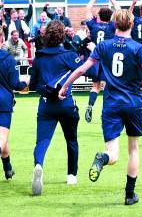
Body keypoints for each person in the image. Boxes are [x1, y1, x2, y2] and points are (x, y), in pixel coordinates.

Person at [58, 9, 142, 206]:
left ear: (114, 25)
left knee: (113, 154)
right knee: (133, 150)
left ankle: (102, 158)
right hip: (132, 104)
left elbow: (81, 69)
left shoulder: (103, 46)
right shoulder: (138, 48)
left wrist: (64, 86)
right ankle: (129, 195)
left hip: (111, 105)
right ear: (132, 25)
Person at [29, 20, 84, 196]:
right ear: (62, 35)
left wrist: (46, 90)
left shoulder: (39, 57)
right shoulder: (69, 55)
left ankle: (38, 165)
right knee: (71, 140)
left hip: (46, 105)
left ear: (46, 36)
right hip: (66, 103)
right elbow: (84, 70)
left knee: (42, 141)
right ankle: (72, 175)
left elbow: (33, 86)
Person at [0, 28, 28, 180]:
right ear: (2, 40)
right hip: (3, 103)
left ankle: (8, 169)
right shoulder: (8, 59)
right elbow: (14, 84)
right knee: (2, 138)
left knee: (3, 139)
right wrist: (25, 83)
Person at [84, 0, 116, 123]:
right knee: (110, 86)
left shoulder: (93, 25)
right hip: (108, 59)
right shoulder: (112, 27)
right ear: (110, 17)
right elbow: (119, 11)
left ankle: (90, 106)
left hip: (95, 58)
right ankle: (106, 112)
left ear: (99, 16)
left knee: (95, 86)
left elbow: (87, 9)